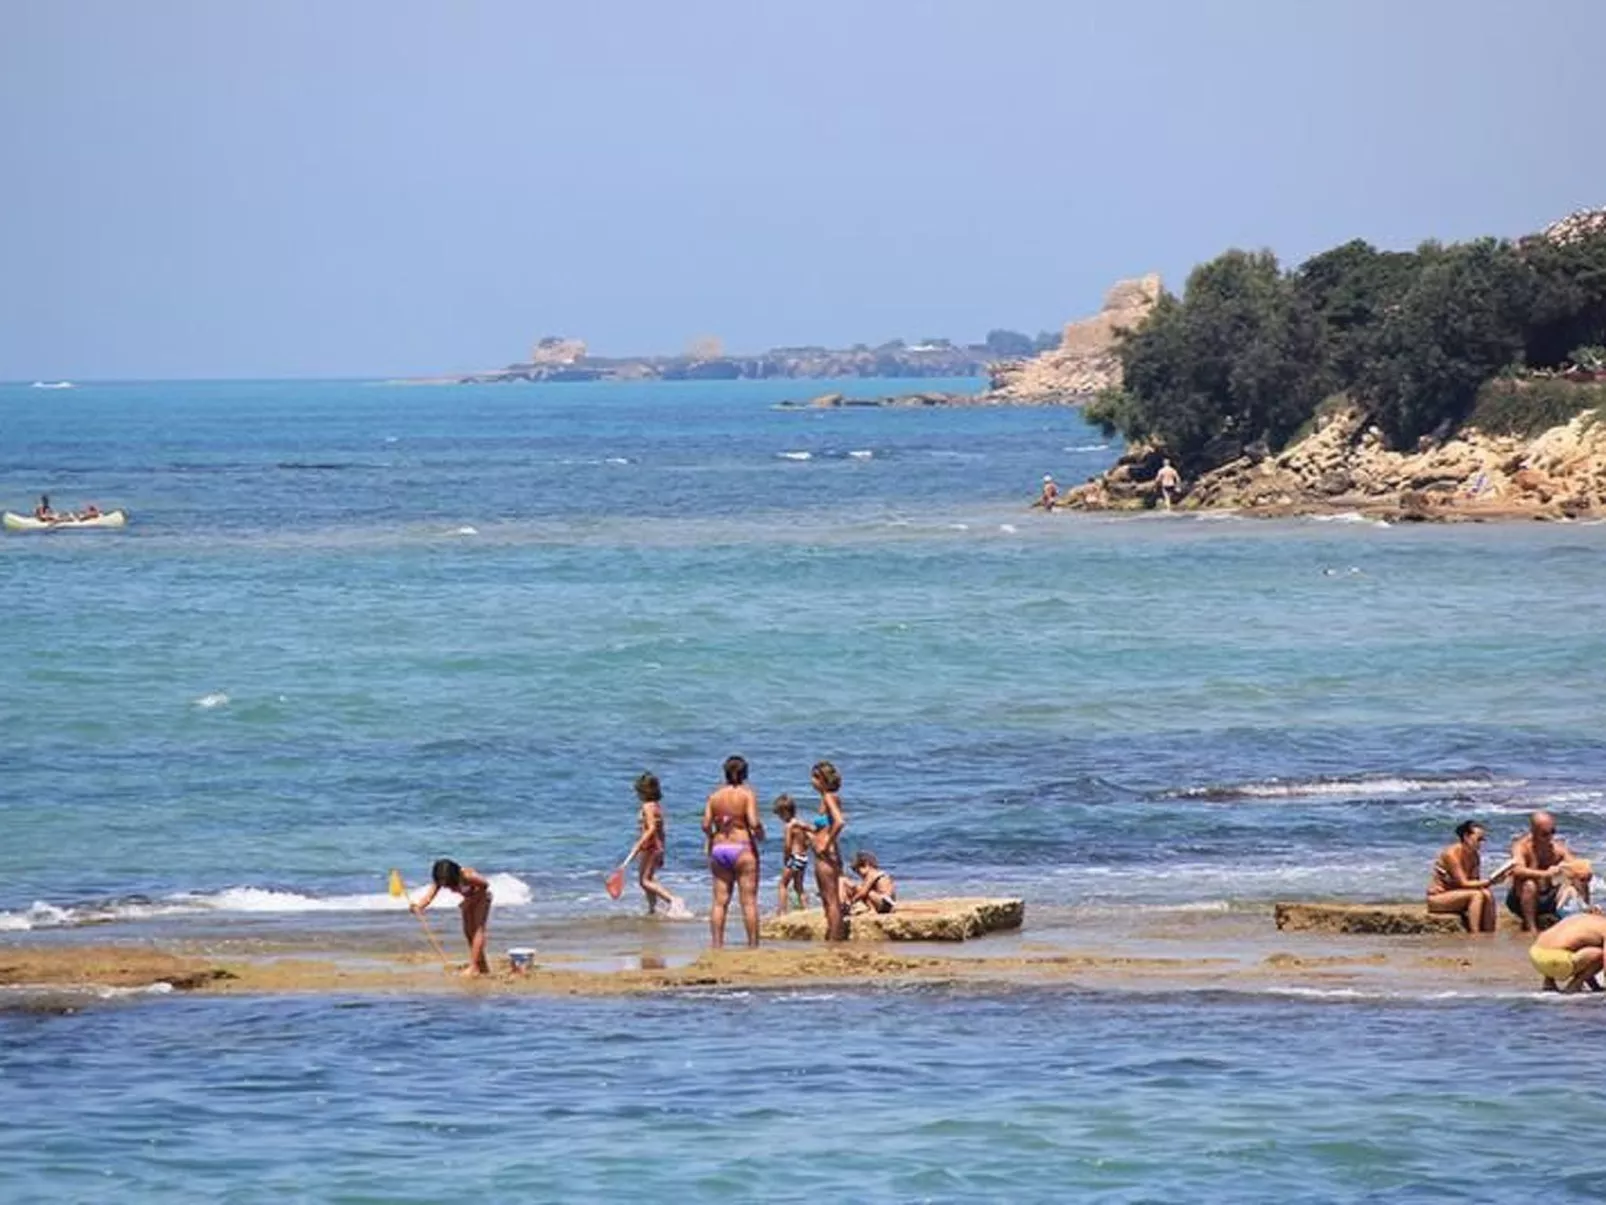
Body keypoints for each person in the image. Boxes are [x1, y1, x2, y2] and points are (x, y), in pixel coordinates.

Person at [702, 755, 764, 948]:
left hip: (720, 848)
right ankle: (752, 945)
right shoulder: (747, 794)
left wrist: (713, 836)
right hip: (742, 846)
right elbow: (753, 822)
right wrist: (760, 833)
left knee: (719, 901)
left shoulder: (714, 796)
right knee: (748, 901)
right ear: (745, 773)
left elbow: (705, 825)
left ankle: (717, 944)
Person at [411, 858, 492, 976]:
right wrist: (419, 907)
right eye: (442, 882)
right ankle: (482, 965)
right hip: (468, 900)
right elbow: (429, 897)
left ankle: (474, 967)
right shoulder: (440, 879)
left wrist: (469, 901)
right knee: (468, 932)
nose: (444, 884)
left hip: (482, 898)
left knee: (477, 931)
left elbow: (485, 886)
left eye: (447, 882)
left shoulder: (467, 876)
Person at [621, 771, 683, 916]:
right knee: (647, 879)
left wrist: (638, 844)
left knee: (644, 881)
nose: (637, 795)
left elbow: (652, 828)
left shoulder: (647, 806)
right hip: (657, 846)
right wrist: (662, 851)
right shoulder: (656, 806)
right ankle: (652, 909)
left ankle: (673, 900)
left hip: (650, 846)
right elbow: (662, 831)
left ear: (644, 791)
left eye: (638, 791)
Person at [1426, 820, 1503, 933]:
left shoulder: (1475, 856)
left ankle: (1489, 933)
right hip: (1439, 897)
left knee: (1487, 893)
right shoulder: (1451, 854)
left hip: (1459, 895)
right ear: (1466, 837)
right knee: (1476, 895)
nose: (1481, 844)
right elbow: (1464, 883)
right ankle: (1475, 934)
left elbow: (1475, 883)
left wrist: (1498, 877)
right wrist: (1491, 881)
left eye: (1482, 840)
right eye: (1478, 839)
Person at [1507, 811, 1572, 931]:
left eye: (1552, 832)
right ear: (1533, 832)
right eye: (1545, 834)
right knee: (1529, 884)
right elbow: (1517, 870)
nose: (1550, 837)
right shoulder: (1522, 847)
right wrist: (1546, 874)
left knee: (1575, 882)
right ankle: (1531, 928)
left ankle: (1579, 917)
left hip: (1549, 897)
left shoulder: (1557, 848)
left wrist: (1566, 869)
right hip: (1522, 899)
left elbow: (1577, 866)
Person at [810, 760, 848, 941]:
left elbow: (839, 822)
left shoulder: (828, 797)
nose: (812, 781)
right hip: (830, 853)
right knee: (829, 899)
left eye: (814, 777)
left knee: (830, 900)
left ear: (823, 779)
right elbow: (828, 824)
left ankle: (835, 940)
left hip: (826, 854)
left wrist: (825, 843)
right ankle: (835, 936)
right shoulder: (830, 798)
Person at [1526, 912, 1606, 993]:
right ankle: (1574, 985)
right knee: (1600, 954)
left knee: (1567, 945)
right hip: (1554, 961)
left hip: (1535, 955)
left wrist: (1595, 986)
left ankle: (1549, 983)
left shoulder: (1581, 917)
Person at [772, 794, 811, 914]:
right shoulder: (801, 824)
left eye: (780, 814)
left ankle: (782, 911)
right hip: (803, 857)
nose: (780, 818)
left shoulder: (789, 826)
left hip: (794, 857)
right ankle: (806, 909)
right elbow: (809, 839)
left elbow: (787, 845)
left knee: (782, 884)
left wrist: (786, 858)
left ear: (785, 812)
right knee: (798, 886)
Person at [842, 849, 897, 915]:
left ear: (866, 865)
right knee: (862, 889)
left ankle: (872, 909)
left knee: (861, 889)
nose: (859, 875)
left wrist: (852, 901)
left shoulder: (871, 874)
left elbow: (863, 892)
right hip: (889, 904)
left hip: (884, 902)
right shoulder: (879, 873)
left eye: (858, 872)